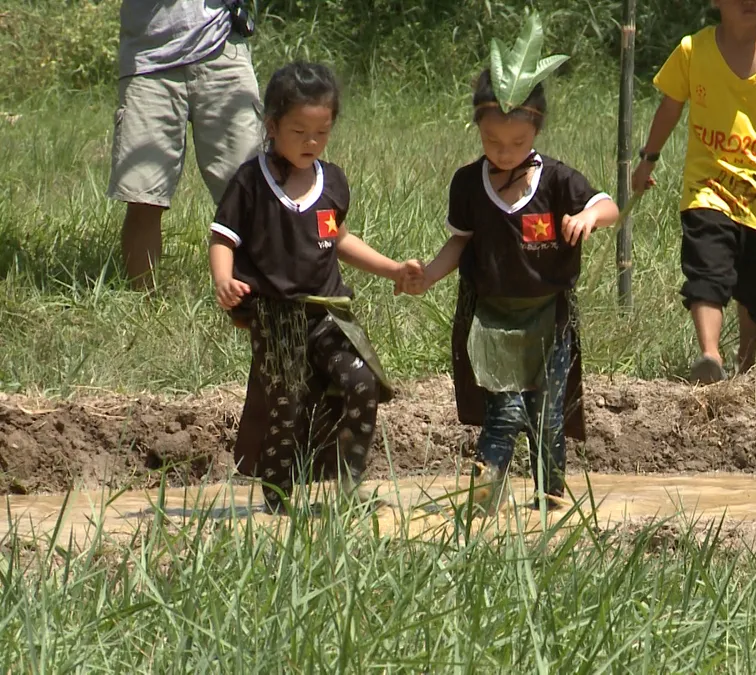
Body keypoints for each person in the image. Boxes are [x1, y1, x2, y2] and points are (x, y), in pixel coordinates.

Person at [397, 27, 619, 512]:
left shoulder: (559, 180)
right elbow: (460, 241)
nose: (503, 151)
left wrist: (586, 217)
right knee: (506, 409)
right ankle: (483, 499)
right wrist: (429, 275)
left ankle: (552, 497)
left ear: (535, 131)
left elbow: (609, 207)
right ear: (478, 131)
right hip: (492, 320)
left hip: (550, 316)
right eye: (492, 140)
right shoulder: (468, 184)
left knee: (547, 412)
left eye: (517, 141)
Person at [208, 61, 419, 514]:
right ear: (271, 126)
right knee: (286, 404)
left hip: (328, 316)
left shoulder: (333, 181)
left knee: (361, 384)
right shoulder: (250, 182)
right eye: (298, 131)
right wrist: (223, 278)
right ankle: (278, 500)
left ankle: (345, 486)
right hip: (277, 318)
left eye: (320, 133)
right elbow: (224, 236)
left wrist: (393, 269)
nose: (310, 142)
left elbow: (339, 239)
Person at [631, 0, 756, 384]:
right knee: (706, 270)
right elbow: (670, 107)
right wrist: (648, 159)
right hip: (707, 188)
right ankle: (710, 356)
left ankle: (745, 364)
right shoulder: (692, 50)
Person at [109, 0, 262, 289]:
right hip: (147, 59)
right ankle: (142, 310)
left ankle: (260, 303)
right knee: (144, 197)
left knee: (248, 194)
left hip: (222, 48)